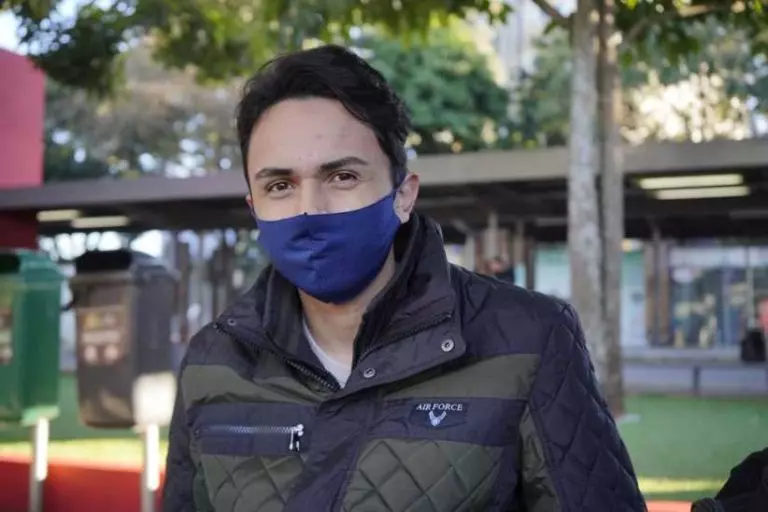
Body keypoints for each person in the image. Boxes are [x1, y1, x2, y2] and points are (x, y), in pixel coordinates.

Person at [162, 44, 645, 512]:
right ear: (254, 207)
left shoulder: (530, 339)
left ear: (403, 195)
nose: (310, 209)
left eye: (342, 177)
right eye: (280, 185)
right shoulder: (213, 361)